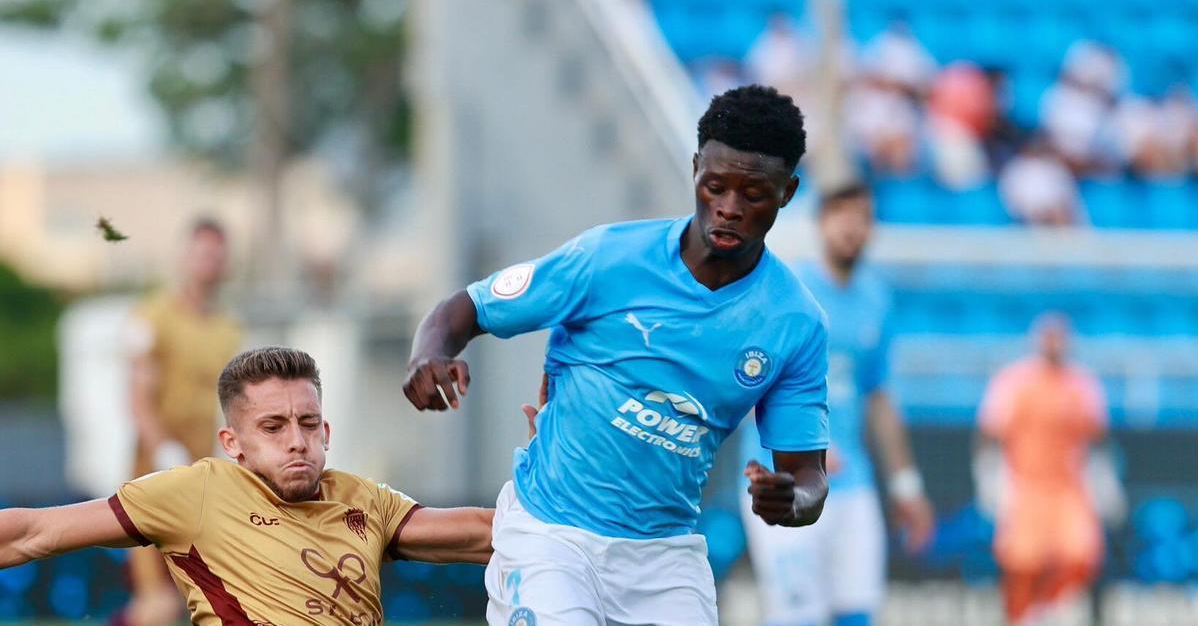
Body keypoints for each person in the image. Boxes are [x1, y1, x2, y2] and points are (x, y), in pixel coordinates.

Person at [403, 84, 831, 626]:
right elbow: (469, 307)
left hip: (665, 557)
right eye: (715, 186)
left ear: (788, 191)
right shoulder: (608, 258)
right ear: (695, 167)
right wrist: (429, 353)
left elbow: (809, 477)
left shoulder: (795, 322)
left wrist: (791, 501)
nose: (728, 208)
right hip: (552, 537)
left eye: (754, 194)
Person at [0, 347, 497, 625]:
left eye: (308, 423)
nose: (297, 442)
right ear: (232, 442)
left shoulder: (366, 500)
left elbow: (486, 533)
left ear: (326, 432)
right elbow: (31, 532)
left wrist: (560, 470)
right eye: (273, 427)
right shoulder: (196, 493)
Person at [739, 183, 934, 626]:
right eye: (842, 216)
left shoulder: (875, 300)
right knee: (797, 616)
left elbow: (879, 396)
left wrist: (906, 486)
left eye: (862, 218)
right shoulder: (787, 295)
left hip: (852, 484)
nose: (852, 229)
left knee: (857, 615)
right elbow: (748, 382)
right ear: (821, 222)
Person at [120, 217, 243, 625]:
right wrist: (163, 450)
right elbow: (138, 397)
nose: (209, 263)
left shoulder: (228, 328)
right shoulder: (153, 315)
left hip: (200, 479)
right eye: (203, 253)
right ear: (185, 257)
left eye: (217, 256)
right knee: (157, 605)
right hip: (152, 478)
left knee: (204, 603)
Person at [976, 315, 1108, 625]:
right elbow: (990, 434)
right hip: (1026, 487)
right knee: (1021, 564)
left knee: (1081, 557)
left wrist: (1103, 482)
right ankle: (1020, 618)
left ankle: (1045, 609)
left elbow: (1098, 438)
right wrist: (989, 479)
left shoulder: (1083, 384)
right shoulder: (1014, 381)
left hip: (1068, 489)